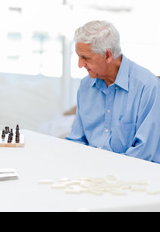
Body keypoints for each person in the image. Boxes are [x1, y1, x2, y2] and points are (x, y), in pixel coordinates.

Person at [66, 20, 160, 163]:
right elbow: (76, 139)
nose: (80, 65)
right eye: (78, 57)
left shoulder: (147, 86)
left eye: (85, 58)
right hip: (90, 174)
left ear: (107, 55)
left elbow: (143, 152)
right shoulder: (86, 86)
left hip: (134, 176)